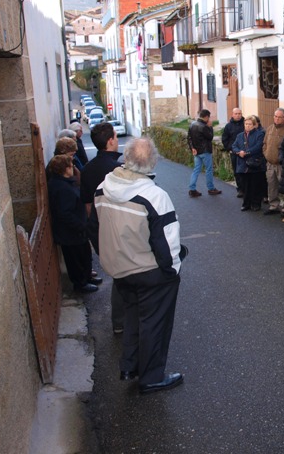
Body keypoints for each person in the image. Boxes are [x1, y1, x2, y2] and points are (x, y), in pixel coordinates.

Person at [94, 137, 184, 395]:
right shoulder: (154, 196)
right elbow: (166, 241)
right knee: (154, 322)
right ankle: (151, 377)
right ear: (153, 162)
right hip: (149, 271)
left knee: (132, 316)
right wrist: (172, 271)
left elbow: (94, 227)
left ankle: (130, 366)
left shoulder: (103, 188)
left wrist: (109, 256)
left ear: (126, 158)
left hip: (119, 268)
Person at [80, 121, 123, 333]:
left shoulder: (87, 169)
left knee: (118, 276)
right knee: (127, 277)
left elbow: (88, 206)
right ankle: (126, 322)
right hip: (120, 230)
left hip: (99, 230)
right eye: (115, 136)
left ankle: (120, 322)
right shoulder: (118, 170)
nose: (117, 139)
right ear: (110, 141)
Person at [47, 155, 99, 293]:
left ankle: (87, 277)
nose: (73, 168)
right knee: (75, 259)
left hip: (77, 230)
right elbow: (64, 213)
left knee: (84, 255)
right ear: (65, 169)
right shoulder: (61, 187)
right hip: (71, 233)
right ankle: (80, 284)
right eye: (71, 166)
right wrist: (80, 225)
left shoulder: (65, 183)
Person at [232, 116, 267, 211]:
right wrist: (239, 152)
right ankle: (246, 203)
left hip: (255, 163)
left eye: (250, 124)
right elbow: (234, 146)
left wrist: (246, 153)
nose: (247, 126)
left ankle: (256, 204)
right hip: (243, 164)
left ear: (254, 125)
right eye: (246, 124)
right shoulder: (240, 135)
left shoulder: (259, 134)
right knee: (245, 185)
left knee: (255, 185)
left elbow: (258, 147)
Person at [187, 109, 222, 197]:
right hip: (205, 151)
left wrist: (192, 148)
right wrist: (210, 127)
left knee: (196, 170)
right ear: (206, 117)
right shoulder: (204, 126)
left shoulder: (192, 124)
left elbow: (189, 138)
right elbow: (210, 137)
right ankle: (211, 188)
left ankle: (192, 189)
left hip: (196, 151)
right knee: (209, 170)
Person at [262, 108, 284, 215]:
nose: (277, 119)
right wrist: (266, 154)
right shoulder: (269, 128)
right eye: (275, 116)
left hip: (281, 165)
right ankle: (274, 205)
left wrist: (282, 160)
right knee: (271, 185)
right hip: (270, 163)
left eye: (279, 117)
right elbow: (264, 143)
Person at [222, 108, 245, 197]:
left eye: (239, 113)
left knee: (246, 171)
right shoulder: (228, 126)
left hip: (245, 152)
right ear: (232, 114)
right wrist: (229, 148)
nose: (238, 115)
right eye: (236, 114)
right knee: (237, 171)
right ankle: (240, 189)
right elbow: (225, 138)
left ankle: (247, 189)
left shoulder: (245, 124)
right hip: (234, 152)